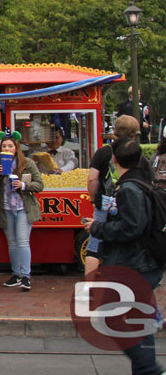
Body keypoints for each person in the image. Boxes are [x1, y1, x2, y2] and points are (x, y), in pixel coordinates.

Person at [84, 138, 164, 375]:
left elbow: (131, 227)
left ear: (114, 159)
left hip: (134, 265)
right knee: (142, 319)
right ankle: (145, 370)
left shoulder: (129, 189)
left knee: (112, 317)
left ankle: (149, 369)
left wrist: (98, 228)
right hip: (145, 263)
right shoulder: (139, 183)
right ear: (139, 158)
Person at [86, 114, 152, 275]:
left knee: (95, 245)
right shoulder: (138, 155)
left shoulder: (103, 152)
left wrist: (94, 199)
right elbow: (149, 182)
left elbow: (92, 179)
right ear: (134, 132)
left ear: (115, 131)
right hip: (131, 207)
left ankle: (89, 287)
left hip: (105, 203)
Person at [0, 131, 44, 291]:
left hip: (23, 207)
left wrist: (23, 185)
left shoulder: (27, 163)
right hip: (6, 208)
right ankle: (16, 274)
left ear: (16, 147)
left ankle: (26, 276)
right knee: (12, 242)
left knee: (23, 240)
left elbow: (39, 184)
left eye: (10, 146)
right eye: (4, 146)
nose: (7, 148)